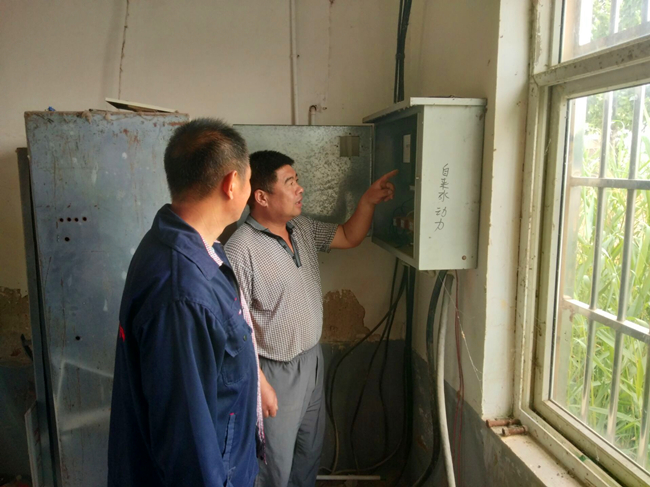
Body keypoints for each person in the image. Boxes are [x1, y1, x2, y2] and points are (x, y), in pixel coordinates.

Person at [225, 150, 396, 487]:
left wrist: (367, 201)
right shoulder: (240, 249)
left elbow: (348, 236)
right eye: (290, 182)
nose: (300, 188)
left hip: (312, 361)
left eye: (297, 180)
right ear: (261, 197)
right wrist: (258, 381)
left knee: (308, 454)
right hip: (273, 371)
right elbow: (233, 327)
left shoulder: (301, 228)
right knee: (273, 464)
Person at [108, 118, 263, 487]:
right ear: (231, 183)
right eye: (249, 180)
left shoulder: (193, 246)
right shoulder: (183, 293)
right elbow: (187, 446)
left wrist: (255, 383)